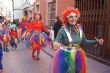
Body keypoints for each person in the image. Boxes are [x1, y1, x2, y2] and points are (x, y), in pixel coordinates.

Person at [50, 7, 104, 73]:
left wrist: (97, 41)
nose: (74, 19)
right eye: (71, 17)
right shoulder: (62, 30)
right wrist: (56, 44)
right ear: (66, 18)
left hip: (78, 55)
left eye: (75, 16)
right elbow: (57, 41)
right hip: (65, 57)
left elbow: (85, 42)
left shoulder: (79, 29)